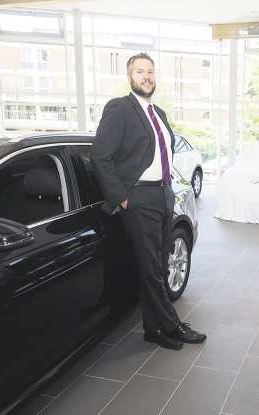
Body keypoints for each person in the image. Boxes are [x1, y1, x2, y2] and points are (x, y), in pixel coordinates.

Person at [91, 52, 206, 350]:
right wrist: (123, 199)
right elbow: (100, 157)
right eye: (140, 71)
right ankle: (172, 324)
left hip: (163, 194)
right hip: (139, 198)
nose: (147, 76)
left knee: (155, 263)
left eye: (151, 71)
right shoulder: (120, 108)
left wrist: (168, 190)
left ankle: (153, 328)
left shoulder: (159, 114)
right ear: (129, 77)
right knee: (153, 267)